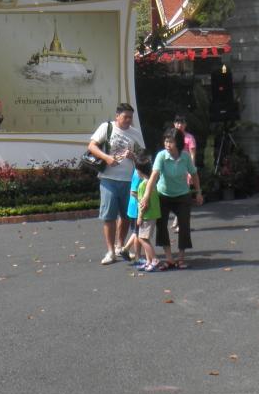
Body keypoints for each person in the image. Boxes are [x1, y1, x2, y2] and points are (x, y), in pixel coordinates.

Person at [87, 103, 143, 264]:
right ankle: (110, 251)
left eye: (130, 117)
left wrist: (134, 156)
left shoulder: (135, 133)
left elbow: (143, 156)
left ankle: (120, 246)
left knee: (126, 216)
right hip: (108, 179)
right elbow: (91, 146)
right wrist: (106, 158)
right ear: (117, 116)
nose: (128, 120)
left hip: (129, 180)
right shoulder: (106, 127)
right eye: (125, 117)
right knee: (109, 216)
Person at [141, 126, 204, 269]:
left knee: (184, 225)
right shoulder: (161, 156)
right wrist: (146, 196)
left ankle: (181, 257)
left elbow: (194, 174)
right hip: (163, 195)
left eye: (170, 142)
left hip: (182, 195)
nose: (167, 144)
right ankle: (169, 258)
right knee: (161, 225)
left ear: (178, 143)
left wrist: (198, 192)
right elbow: (153, 177)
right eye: (166, 141)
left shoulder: (185, 157)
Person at [131, 158, 162, 272]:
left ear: (139, 171)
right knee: (145, 238)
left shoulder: (142, 185)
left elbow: (143, 204)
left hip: (146, 216)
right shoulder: (151, 183)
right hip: (153, 214)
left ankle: (154, 259)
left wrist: (139, 217)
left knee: (142, 239)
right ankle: (148, 261)